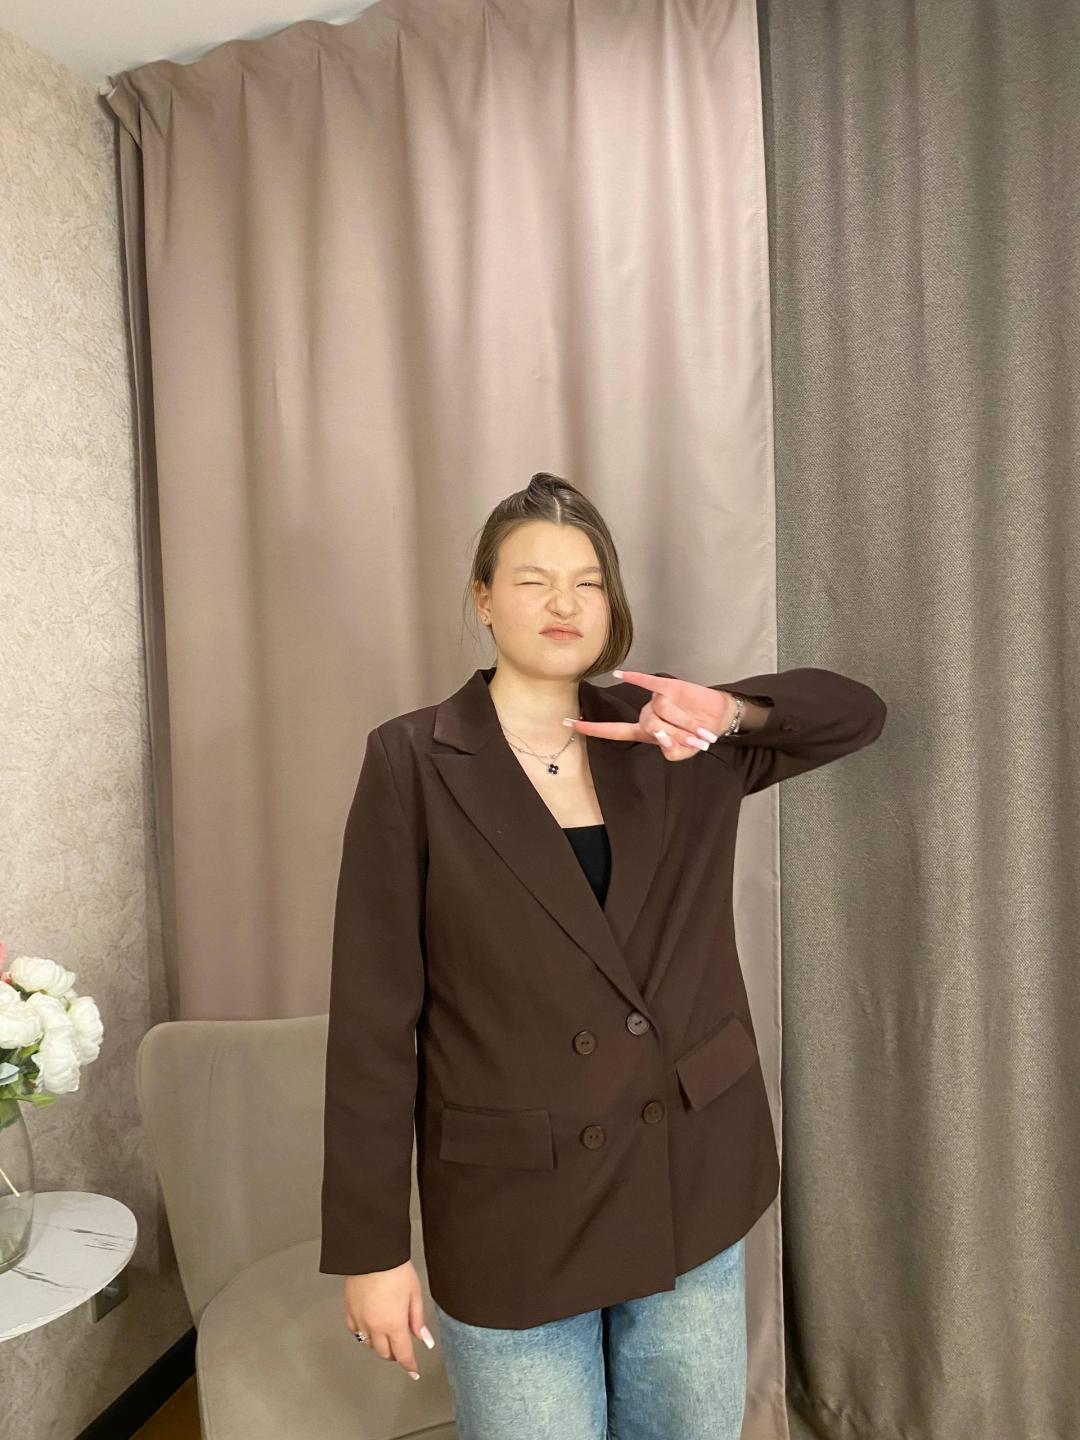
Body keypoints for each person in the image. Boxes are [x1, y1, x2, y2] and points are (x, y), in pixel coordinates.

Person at [319, 472, 887, 1439]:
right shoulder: (412, 761)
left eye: (587, 582)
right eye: (532, 579)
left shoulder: (671, 739)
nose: (564, 603)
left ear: (612, 603)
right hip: (515, 1208)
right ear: (483, 598)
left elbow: (855, 713)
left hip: (684, 1178)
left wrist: (725, 711)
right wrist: (372, 1250)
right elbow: (374, 1017)